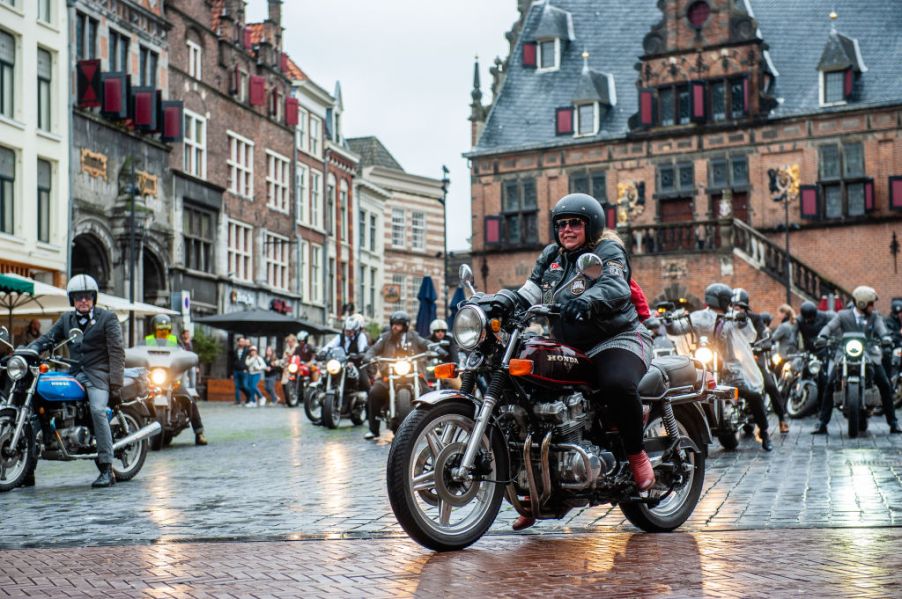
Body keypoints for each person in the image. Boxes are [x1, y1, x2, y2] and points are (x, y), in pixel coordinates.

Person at [503, 193, 655, 530]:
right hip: (569, 344)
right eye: (562, 224)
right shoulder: (551, 256)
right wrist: (499, 302)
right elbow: (530, 291)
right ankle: (535, 491)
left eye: (575, 223)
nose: (567, 229)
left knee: (616, 383)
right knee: (527, 399)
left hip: (617, 338)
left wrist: (587, 300)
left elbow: (615, 287)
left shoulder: (608, 251)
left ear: (591, 225)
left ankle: (636, 454)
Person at [28, 274, 123, 488]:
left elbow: (117, 352)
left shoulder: (107, 318)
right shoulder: (67, 319)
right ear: (72, 299)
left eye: (87, 296)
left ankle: (107, 468)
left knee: (98, 411)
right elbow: (48, 338)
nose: (83, 301)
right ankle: (27, 470)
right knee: (38, 404)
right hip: (74, 374)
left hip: (98, 375)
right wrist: (31, 348)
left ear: (94, 298)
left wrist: (115, 384)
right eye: (78, 297)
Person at [813, 286, 901, 434]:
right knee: (829, 383)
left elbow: (881, 328)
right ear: (862, 303)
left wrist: (885, 337)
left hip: (869, 352)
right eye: (871, 303)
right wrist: (822, 336)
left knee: (885, 384)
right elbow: (829, 326)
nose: (873, 306)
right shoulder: (842, 315)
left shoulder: (875, 316)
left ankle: (893, 422)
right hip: (845, 352)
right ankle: (822, 423)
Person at [705, 283, 773, 451]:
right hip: (711, 367)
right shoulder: (706, 318)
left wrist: (743, 320)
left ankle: (764, 432)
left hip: (737, 368)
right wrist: (671, 320)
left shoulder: (734, 318)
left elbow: (751, 334)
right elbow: (687, 325)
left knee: (754, 395)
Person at [363, 311, 428, 440]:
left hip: (412, 375)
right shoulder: (385, 337)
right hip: (389, 376)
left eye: (398, 324)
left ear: (405, 325)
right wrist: (369, 356)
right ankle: (373, 430)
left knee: (428, 393)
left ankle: (433, 424)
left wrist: (435, 349)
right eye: (393, 324)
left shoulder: (414, 336)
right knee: (374, 392)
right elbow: (374, 348)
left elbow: (425, 343)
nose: (394, 327)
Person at [731, 288, 788, 433]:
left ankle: (782, 418)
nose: (737, 310)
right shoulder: (727, 318)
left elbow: (764, 334)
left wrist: (764, 344)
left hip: (754, 357)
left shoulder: (755, 318)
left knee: (769, 384)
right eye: (733, 306)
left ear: (745, 307)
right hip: (733, 359)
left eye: (740, 307)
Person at [177, 328, 207, 446]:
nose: (161, 331)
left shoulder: (174, 342)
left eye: (164, 328)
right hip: (154, 379)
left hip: (172, 379)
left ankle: (199, 432)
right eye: (159, 328)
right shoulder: (148, 342)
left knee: (189, 399)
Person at [232, 336, 251, 405]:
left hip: (244, 371)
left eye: (243, 341)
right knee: (237, 386)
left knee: (245, 385)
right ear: (238, 342)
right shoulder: (235, 351)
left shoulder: (247, 350)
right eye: (241, 341)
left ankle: (249, 397)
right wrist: (232, 372)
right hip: (236, 371)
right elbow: (232, 361)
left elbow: (250, 359)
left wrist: (247, 368)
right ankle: (238, 400)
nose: (242, 342)